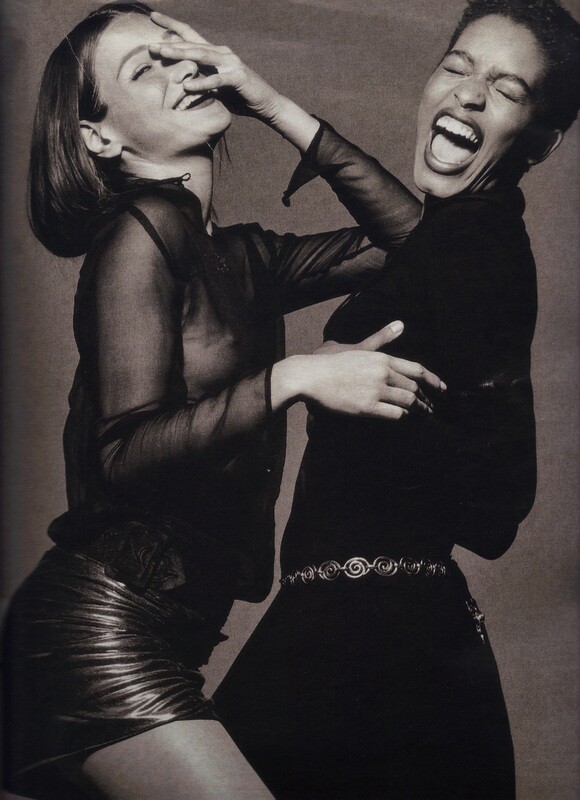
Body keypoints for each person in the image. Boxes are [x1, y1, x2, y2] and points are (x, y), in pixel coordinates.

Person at [2, 4, 450, 800]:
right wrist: (293, 378)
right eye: (145, 67)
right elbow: (123, 453)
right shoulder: (140, 229)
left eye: (181, 52)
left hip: (165, 639)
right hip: (99, 632)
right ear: (99, 138)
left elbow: (423, 242)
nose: (182, 69)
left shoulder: (241, 256)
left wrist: (271, 103)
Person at [213, 1, 580, 798]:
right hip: (386, 635)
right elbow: (405, 227)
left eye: (507, 89)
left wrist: (343, 388)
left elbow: (497, 507)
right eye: (457, 66)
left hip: (369, 650)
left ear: (541, 140)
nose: (469, 94)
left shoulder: (477, 239)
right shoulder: (454, 242)